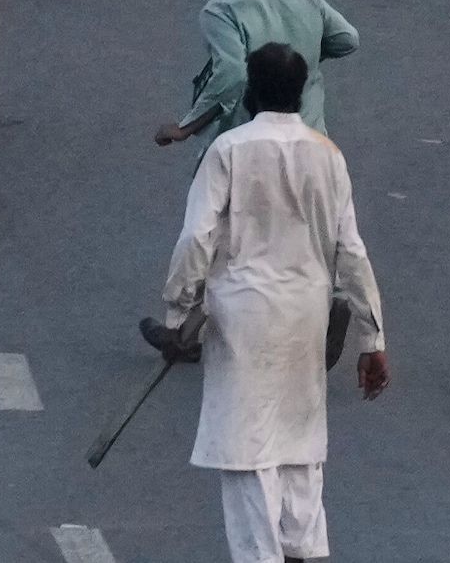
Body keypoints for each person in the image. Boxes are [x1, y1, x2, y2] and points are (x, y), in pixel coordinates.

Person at [146, 39, 390, 563]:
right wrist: (372, 339)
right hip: (307, 314)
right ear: (301, 93)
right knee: (300, 443)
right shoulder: (329, 156)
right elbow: (351, 251)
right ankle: (303, 547)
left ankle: (261, 556)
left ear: (251, 92)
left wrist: (178, 307)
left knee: (245, 447)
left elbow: (196, 238)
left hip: (242, 315)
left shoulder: (229, 150)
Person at [158, 0, 361, 145]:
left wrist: (185, 128)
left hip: (253, 144)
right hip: (311, 139)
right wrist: (299, 57)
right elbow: (348, 39)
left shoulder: (220, 10)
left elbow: (232, 73)